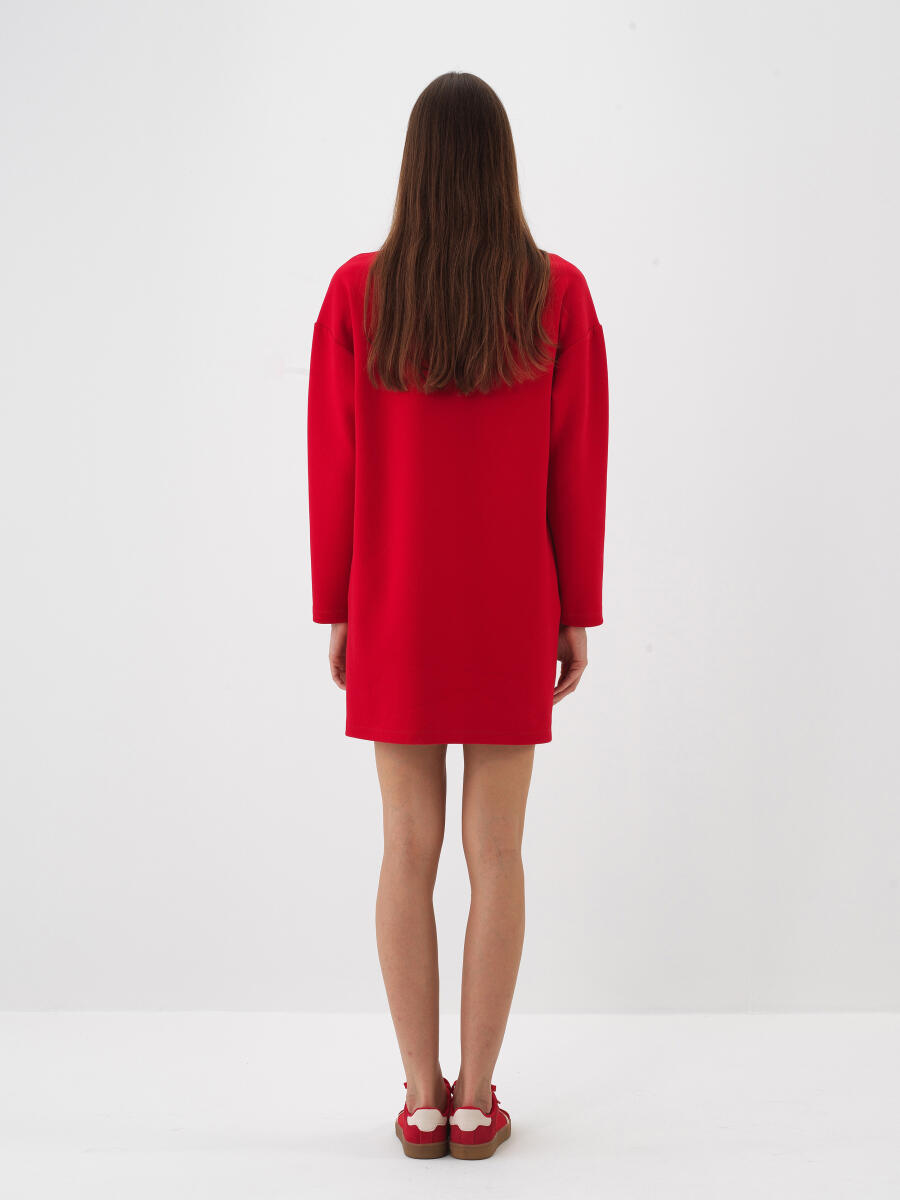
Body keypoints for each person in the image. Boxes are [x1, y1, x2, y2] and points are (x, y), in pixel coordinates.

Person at [307, 71, 608, 1161]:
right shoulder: (555, 294)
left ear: (416, 168)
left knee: (405, 848)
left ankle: (420, 1099)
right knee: (498, 851)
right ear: (501, 166)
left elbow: (334, 460)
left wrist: (338, 602)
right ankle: (476, 1099)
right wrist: (576, 608)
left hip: (394, 599)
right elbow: (579, 461)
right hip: (509, 604)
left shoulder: (360, 293)